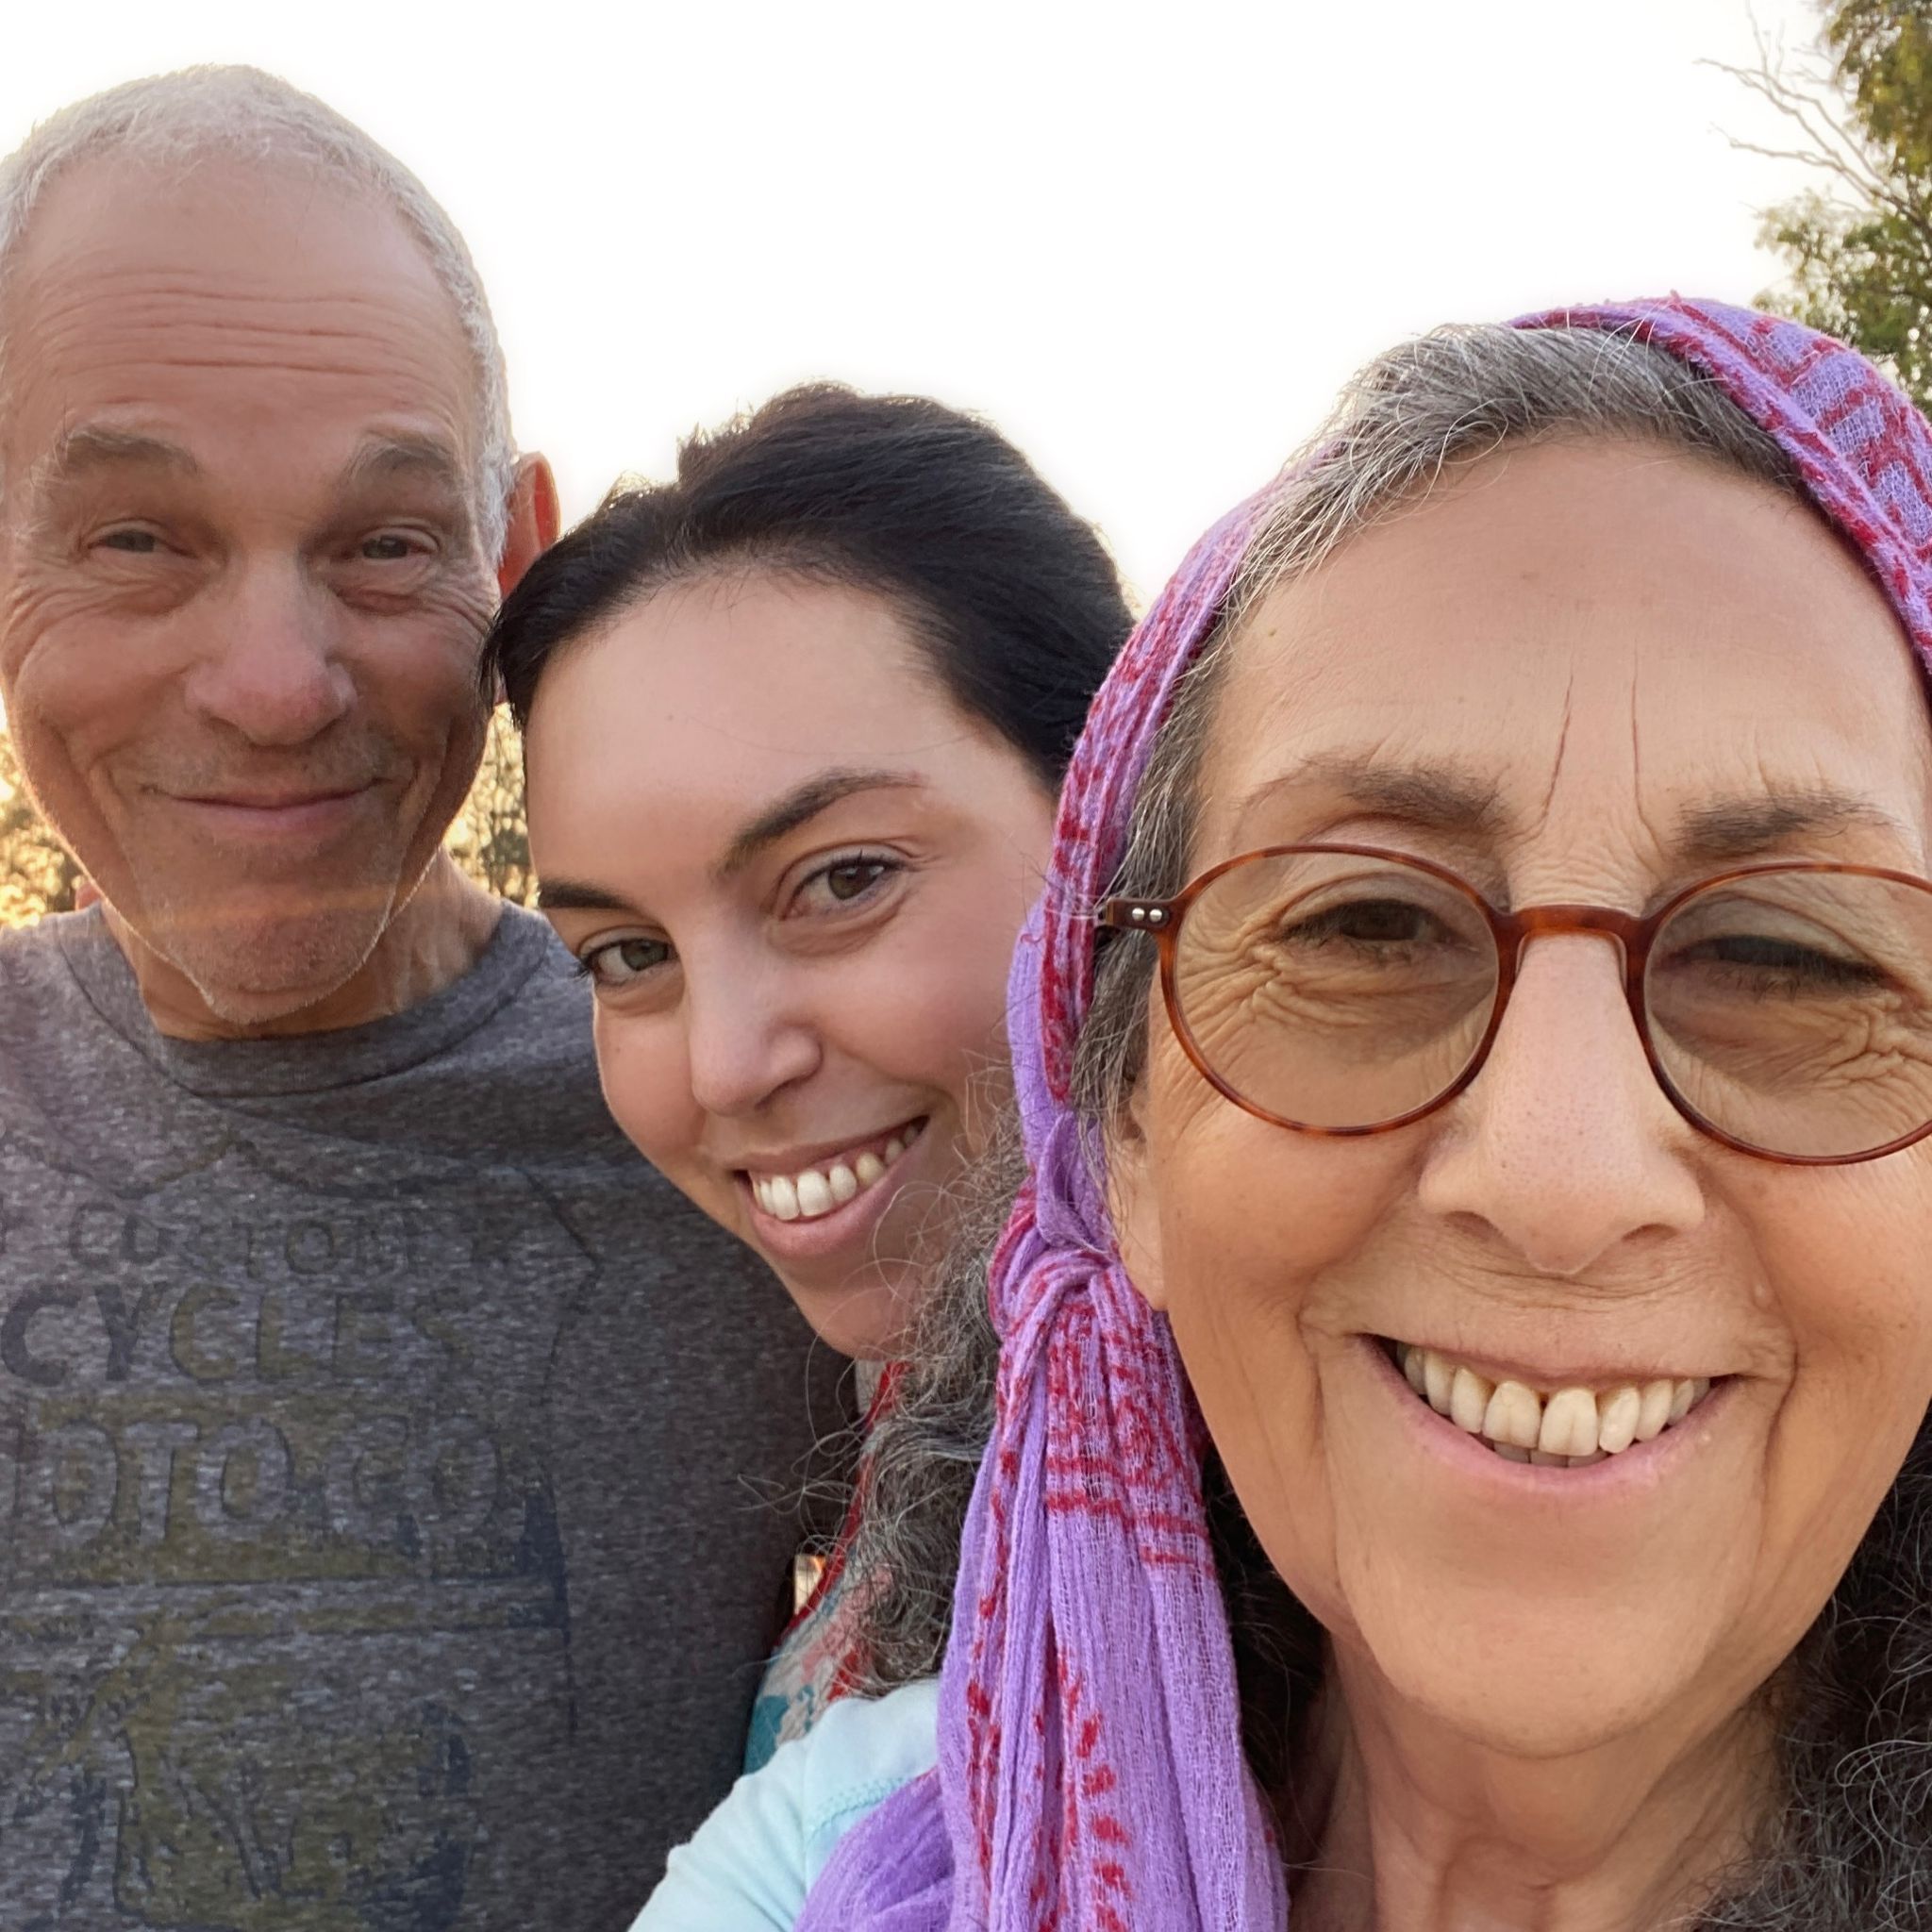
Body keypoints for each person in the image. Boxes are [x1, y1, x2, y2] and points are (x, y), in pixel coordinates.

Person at [639, 296, 1932, 1930]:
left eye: (1789, 959)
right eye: (1361, 931)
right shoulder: (834, 1857)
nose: (1559, 1177)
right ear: (1122, 1136)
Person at [0, 68, 836, 1928]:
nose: (278, 683)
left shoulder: (747, 1129)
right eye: (138, 539)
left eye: (383, 542)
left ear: (511, 558)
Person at [481, 384, 1132, 1767]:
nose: (724, 1065)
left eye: (841, 881)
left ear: (1120, 809)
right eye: (625, 955)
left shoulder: (1311, 1512)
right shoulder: (951, 1401)